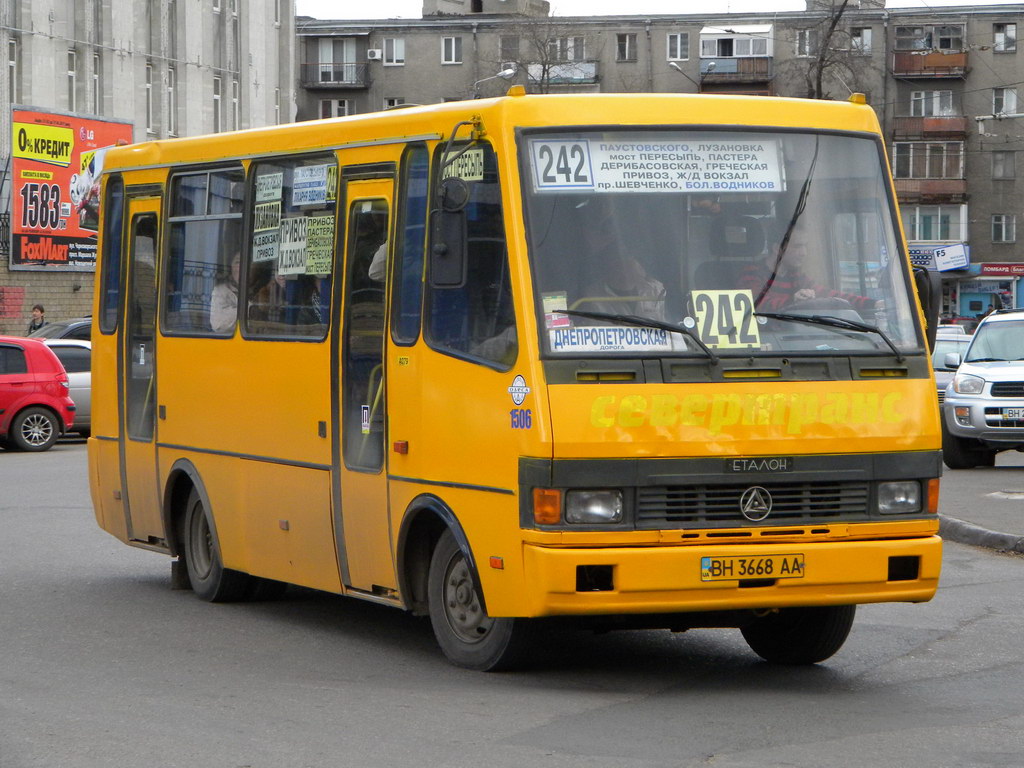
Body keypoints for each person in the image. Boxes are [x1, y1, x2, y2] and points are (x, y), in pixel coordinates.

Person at [738, 234, 879, 314]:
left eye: (805, 246)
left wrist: (873, 304)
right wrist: (793, 300)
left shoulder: (796, 276)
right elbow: (757, 304)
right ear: (777, 249)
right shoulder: (752, 273)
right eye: (797, 246)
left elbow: (829, 295)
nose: (804, 253)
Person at [210, 253, 240, 333]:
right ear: (231, 267)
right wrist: (251, 309)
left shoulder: (265, 290)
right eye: (237, 262)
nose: (241, 267)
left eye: (249, 263)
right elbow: (218, 324)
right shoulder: (220, 291)